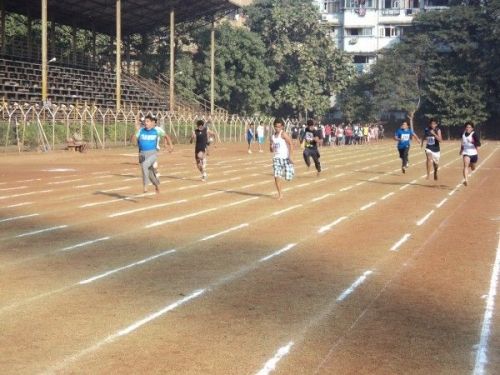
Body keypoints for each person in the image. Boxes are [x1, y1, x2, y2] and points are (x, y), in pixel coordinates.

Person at [132, 114, 173, 193]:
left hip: (152, 154)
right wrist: (136, 131)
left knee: (144, 166)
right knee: (150, 173)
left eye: (148, 121)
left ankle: (145, 186)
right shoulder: (141, 130)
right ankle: (156, 185)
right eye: (145, 121)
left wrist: (170, 146)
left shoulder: (156, 130)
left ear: (152, 123)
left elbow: (166, 136)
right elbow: (133, 142)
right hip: (142, 154)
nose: (146, 123)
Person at [270, 118, 294, 200]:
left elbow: (291, 143)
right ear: (274, 127)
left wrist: (290, 156)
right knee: (276, 176)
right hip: (277, 158)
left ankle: (288, 174)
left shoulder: (283, 134)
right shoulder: (272, 137)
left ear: (282, 127)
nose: (277, 128)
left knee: (288, 178)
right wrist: (271, 147)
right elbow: (271, 149)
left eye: (279, 127)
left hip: (286, 158)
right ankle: (280, 194)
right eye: (276, 127)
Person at [459, 121, 481, 186]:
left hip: (474, 153)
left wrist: (472, 142)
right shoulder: (462, 134)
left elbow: (479, 144)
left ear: (472, 128)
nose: (468, 128)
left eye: (469, 127)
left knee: (473, 168)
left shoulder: (474, 134)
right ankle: (466, 180)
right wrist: (461, 150)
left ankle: (471, 165)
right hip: (466, 152)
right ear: (465, 128)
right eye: (467, 127)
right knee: (465, 166)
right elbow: (463, 143)